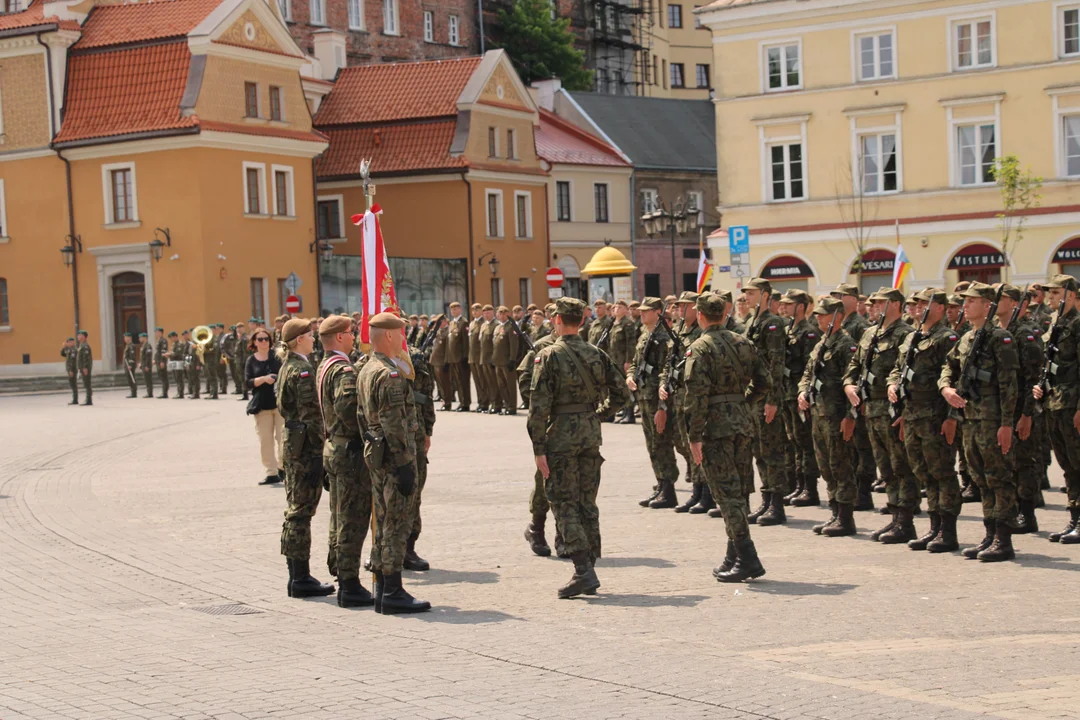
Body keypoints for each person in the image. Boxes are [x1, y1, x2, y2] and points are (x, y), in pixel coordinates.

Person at [528, 297, 630, 598]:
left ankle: (583, 570)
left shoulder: (548, 356)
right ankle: (590, 564)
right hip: (590, 433)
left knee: (563, 501)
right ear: (582, 322)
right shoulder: (596, 353)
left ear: (558, 321)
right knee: (588, 501)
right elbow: (622, 393)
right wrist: (599, 414)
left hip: (560, 436)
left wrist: (538, 447)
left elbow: (538, 407)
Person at [683, 292, 774, 582]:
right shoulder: (743, 341)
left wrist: (694, 435)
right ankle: (733, 555)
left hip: (715, 427)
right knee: (740, 489)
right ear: (724, 314)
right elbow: (765, 381)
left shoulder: (699, 347)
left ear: (700, 316)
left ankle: (748, 557)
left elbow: (696, 396)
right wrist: (744, 402)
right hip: (742, 422)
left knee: (726, 494)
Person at [357, 312, 431, 614]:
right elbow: (394, 424)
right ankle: (393, 591)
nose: (404, 340)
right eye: (401, 334)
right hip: (394, 457)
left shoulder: (366, 369)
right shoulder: (389, 375)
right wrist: (404, 464)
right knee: (395, 523)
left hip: (376, 455)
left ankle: (383, 589)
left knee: (384, 519)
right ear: (388, 336)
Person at [940, 282, 1019, 561]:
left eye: (972, 301)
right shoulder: (965, 338)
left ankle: (1003, 538)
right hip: (970, 418)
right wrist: (946, 389)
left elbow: (1010, 384)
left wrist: (1007, 423)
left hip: (993, 418)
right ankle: (989, 534)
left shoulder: (1000, 337)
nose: (965, 305)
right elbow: (948, 368)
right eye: (965, 301)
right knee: (980, 478)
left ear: (987, 306)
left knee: (999, 477)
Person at [887, 289, 962, 553]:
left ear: (940, 308)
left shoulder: (947, 338)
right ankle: (934, 527)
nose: (917, 308)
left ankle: (948, 530)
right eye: (914, 304)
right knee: (924, 473)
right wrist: (892, 385)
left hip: (936, 415)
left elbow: (955, 378)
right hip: (913, 414)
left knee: (942, 472)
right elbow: (898, 368)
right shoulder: (912, 336)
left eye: (923, 304)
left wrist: (952, 417)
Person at [844, 288, 917, 543]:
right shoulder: (869, 333)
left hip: (891, 409)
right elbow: (854, 366)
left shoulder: (905, 334)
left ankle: (906, 521)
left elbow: (908, 373)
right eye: (872, 303)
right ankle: (895, 516)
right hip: (871, 409)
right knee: (885, 467)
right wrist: (849, 385)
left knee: (901, 466)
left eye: (880, 302)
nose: (873, 307)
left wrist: (905, 411)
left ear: (896, 304)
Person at [316, 316, 374, 607]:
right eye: (350, 333)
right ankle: (349, 584)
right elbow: (348, 409)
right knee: (352, 517)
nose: (354, 337)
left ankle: (340, 571)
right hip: (348, 451)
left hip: (333, 447)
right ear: (338, 337)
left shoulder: (325, 365)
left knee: (338, 516)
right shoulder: (343, 371)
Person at [275, 318, 335, 598]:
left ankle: (297, 575)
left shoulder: (289, 366)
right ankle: (300, 578)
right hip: (305, 449)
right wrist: (320, 453)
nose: (314, 340)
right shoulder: (301, 370)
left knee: (296, 510)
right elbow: (312, 417)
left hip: (293, 446)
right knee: (301, 512)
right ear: (299, 340)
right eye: (310, 336)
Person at [798, 297, 858, 536]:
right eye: (819, 314)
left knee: (841, 465)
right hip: (819, 414)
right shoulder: (821, 343)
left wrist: (850, 416)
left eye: (824, 314)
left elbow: (853, 381)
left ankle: (845, 517)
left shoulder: (846, 345)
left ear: (837, 316)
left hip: (837, 415)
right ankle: (834, 512)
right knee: (826, 466)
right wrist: (802, 391)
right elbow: (807, 374)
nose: (818, 318)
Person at [994, 284, 1044, 536]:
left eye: (1001, 298)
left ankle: (1027, 512)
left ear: (1015, 303)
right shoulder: (994, 331)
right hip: (1001, 408)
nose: (995, 302)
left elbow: (1031, 377)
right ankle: (1011, 510)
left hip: (1021, 409)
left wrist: (1026, 415)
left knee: (1023, 462)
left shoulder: (1024, 334)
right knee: (1005, 463)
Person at [1034, 274, 1080, 543]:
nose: (1051, 298)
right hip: (1054, 402)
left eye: (1056, 293)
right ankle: (1074, 517)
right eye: (1049, 294)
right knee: (1068, 465)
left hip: (1072, 403)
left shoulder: (1077, 325)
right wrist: (1040, 387)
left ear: (1072, 295)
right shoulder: (1055, 324)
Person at [741, 279, 787, 522]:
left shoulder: (774, 324)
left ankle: (777, 505)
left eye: (752, 292)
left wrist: (772, 399)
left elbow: (776, 365)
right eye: (746, 292)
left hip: (766, 398)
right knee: (759, 450)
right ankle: (766, 499)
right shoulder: (751, 323)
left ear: (765, 295)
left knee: (772, 451)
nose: (747, 296)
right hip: (752, 397)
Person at [626, 297, 678, 508]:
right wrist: (630, 376)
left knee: (662, 443)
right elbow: (635, 363)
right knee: (652, 444)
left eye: (646, 310)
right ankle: (660, 484)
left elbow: (667, 373)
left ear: (658, 312)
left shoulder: (665, 338)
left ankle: (668, 489)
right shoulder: (644, 335)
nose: (642, 313)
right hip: (643, 397)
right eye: (641, 310)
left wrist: (662, 407)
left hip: (657, 399)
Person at [663, 291, 710, 515]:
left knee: (697, 442)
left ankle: (706, 493)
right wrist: (664, 383)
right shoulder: (680, 330)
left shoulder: (701, 332)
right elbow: (669, 362)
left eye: (685, 305)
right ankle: (696, 489)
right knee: (684, 442)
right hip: (679, 394)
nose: (680, 309)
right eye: (678, 306)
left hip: (695, 395)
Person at [518, 326, 563, 557]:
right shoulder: (541, 346)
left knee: (570, 482)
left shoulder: (577, 344)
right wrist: (541, 403)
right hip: (548, 423)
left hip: (571, 423)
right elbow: (525, 379)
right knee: (544, 477)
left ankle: (563, 534)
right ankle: (536, 528)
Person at [778, 290, 820, 506]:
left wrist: (806, 394)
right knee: (793, 439)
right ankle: (798, 485)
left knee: (804, 441)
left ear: (800, 307)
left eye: (789, 304)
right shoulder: (787, 330)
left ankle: (810, 488)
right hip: (786, 393)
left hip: (799, 395)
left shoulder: (809, 333)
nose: (783, 307)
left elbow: (809, 369)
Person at [246, 328, 284, 486]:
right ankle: (271, 472)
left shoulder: (277, 357)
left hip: (279, 403)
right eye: (260, 339)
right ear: (254, 342)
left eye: (266, 339)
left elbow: (284, 374)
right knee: (266, 441)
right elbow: (247, 383)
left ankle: (283, 468)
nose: (263, 342)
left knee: (283, 438)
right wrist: (263, 379)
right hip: (262, 405)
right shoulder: (251, 360)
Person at [608, 301, 636, 424]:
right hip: (615, 360)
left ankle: (630, 414)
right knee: (619, 387)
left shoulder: (627, 324)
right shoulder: (614, 324)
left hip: (623, 361)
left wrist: (629, 360)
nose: (617, 309)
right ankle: (624, 412)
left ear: (626, 310)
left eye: (620, 307)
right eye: (615, 307)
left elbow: (631, 344)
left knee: (626, 388)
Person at [492, 306, 521, 415]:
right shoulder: (498, 327)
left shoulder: (511, 326)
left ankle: (512, 407)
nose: (502, 315)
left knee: (510, 385)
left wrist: (512, 359)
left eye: (505, 313)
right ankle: (507, 404)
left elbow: (514, 345)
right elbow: (495, 344)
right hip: (498, 361)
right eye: (500, 313)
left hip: (507, 361)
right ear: (497, 315)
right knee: (501, 385)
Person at [447, 301, 471, 411]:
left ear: (460, 310)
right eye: (452, 309)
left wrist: (465, 356)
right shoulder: (452, 323)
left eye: (455, 309)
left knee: (463, 381)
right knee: (458, 382)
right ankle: (462, 402)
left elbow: (466, 342)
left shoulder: (463, 322)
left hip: (461, 358)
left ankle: (465, 403)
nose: (453, 311)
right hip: (453, 358)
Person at [479, 305, 501, 414]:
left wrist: (494, 358)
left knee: (494, 383)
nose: (486, 314)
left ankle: (497, 404)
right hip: (484, 358)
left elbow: (496, 344)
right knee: (488, 383)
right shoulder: (483, 325)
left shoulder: (496, 325)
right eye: (484, 312)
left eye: (488, 312)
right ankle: (492, 403)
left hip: (492, 358)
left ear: (493, 313)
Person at [468, 303, 488, 413]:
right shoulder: (472, 324)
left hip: (480, 357)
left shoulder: (483, 323)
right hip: (472, 357)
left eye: (477, 310)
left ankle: (485, 403)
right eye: (473, 310)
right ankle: (481, 402)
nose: (475, 312)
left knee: (483, 381)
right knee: (477, 382)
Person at [76, 330, 93, 406]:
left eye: (80, 335)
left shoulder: (85, 346)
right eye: (78, 335)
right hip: (82, 367)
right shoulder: (81, 345)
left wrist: (85, 367)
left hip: (85, 368)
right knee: (86, 383)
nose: (78, 337)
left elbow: (86, 358)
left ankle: (89, 399)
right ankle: (88, 398)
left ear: (83, 336)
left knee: (87, 383)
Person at [153, 327, 170, 399]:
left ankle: (165, 393)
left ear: (160, 332)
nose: (156, 333)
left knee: (164, 377)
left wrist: (162, 361)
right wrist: (155, 360)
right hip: (158, 361)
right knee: (161, 377)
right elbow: (157, 352)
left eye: (157, 332)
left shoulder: (163, 341)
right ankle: (163, 392)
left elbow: (163, 351)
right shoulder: (159, 340)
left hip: (161, 362)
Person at [170, 331, 187, 398]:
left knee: (179, 378)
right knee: (176, 378)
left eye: (171, 337)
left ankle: (180, 393)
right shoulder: (174, 344)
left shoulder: (180, 344)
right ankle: (178, 392)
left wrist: (170, 354)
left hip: (179, 362)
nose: (171, 339)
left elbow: (178, 354)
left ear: (175, 337)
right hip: (173, 362)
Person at [61, 337, 78, 405]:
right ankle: (74, 399)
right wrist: (63, 348)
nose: (70, 343)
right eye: (68, 342)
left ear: (73, 342)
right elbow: (63, 354)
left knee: (73, 384)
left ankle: (75, 399)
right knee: (72, 383)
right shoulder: (69, 350)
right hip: (70, 369)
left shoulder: (73, 350)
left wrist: (71, 370)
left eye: (71, 342)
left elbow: (72, 361)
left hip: (72, 369)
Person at [122, 332, 139, 399]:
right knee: (129, 379)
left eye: (125, 337)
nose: (124, 339)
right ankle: (132, 391)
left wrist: (130, 365)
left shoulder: (131, 346)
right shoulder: (128, 345)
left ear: (129, 338)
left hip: (129, 365)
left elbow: (132, 356)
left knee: (132, 378)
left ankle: (134, 392)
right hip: (127, 365)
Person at [139, 332, 154, 398]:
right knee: (146, 379)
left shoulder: (148, 346)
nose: (139, 339)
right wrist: (141, 364)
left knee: (148, 379)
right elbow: (143, 357)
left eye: (141, 337)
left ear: (145, 338)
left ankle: (150, 393)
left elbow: (148, 357)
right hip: (144, 365)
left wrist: (147, 366)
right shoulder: (143, 346)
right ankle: (148, 392)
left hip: (147, 365)